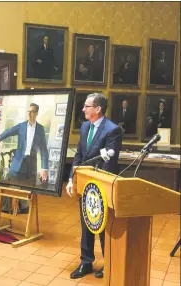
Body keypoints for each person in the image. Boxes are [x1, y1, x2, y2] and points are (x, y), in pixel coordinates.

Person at [66, 93, 122, 280]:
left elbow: (109, 163)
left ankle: (109, 263)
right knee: (86, 225)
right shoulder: (84, 127)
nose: (83, 109)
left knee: (103, 225)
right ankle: (86, 262)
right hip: (84, 185)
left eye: (86, 106)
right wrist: (71, 179)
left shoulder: (112, 130)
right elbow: (79, 156)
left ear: (97, 109)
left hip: (101, 187)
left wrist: (97, 187)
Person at [0, 103, 48, 187]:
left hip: (31, 165)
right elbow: (9, 131)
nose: (29, 114)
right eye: (28, 111)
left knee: (27, 191)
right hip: (18, 163)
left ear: (36, 113)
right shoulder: (21, 126)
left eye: (32, 111)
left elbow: (44, 150)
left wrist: (44, 168)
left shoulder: (40, 129)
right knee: (10, 188)